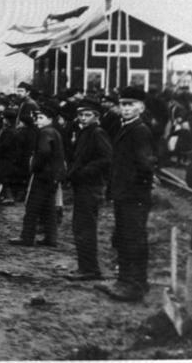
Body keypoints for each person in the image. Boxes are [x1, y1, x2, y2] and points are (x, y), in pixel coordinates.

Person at [97, 86, 156, 302]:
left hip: (134, 197)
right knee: (123, 237)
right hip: (124, 195)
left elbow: (145, 166)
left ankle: (134, 285)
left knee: (133, 239)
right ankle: (123, 280)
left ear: (141, 107)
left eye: (131, 104)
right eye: (123, 104)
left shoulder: (140, 130)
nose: (126, 108)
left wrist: (135, 192)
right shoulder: (126, 127)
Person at [64, 98, 112, 280]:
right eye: (80, 115)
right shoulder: (85, 132)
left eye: (87, 115)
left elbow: (106, 159)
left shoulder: (97, 133)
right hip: (83, 185)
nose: (83, 118)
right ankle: (85, 267)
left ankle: (90, 269)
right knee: (80, 226)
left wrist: (83, 172)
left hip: (91, 186)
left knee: (85, 227)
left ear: (96, 116)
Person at [10, 104, 65, 247]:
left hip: (42, 175)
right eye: (37, 118)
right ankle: (51, 238)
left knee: (32, 206)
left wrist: (34, 166)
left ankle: (27, 237)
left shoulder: (45, 132)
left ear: (50, 119)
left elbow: (44, 152)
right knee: (49, 207)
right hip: (53, 176)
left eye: (41, 118)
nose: (37, 121)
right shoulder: (55, 131)